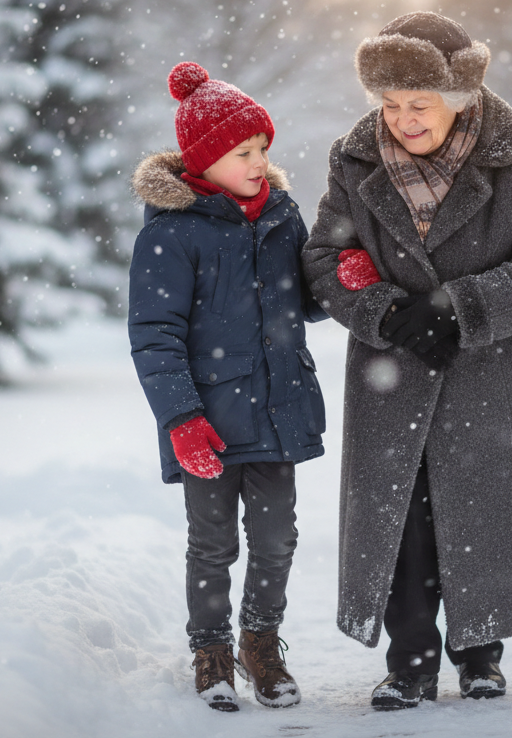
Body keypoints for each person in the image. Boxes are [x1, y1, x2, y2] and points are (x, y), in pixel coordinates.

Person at [302, 11, 512, 709]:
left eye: (417, 103)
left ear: (458, 96)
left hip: (492, 367)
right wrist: (387, 312)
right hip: (393, 366)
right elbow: (326, 257)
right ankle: (410, 663)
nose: (402, 119)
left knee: (485, 506)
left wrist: (458, 306)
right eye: (389, 104)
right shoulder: (354, 157)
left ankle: (481, 652)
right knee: (404, 517)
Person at [129, 61, 327, 713]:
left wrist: (343, 276)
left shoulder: (280, 215)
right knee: (212, 543)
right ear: (205, 159)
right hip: (208, 423)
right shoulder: (171, 232)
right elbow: (154, 335)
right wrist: (181, 418)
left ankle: (259, 644)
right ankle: (210, 650)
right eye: (243, 152)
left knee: (277, 539)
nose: (258, 162)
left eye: (262, 149)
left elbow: (305, 300)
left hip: (276, 413)